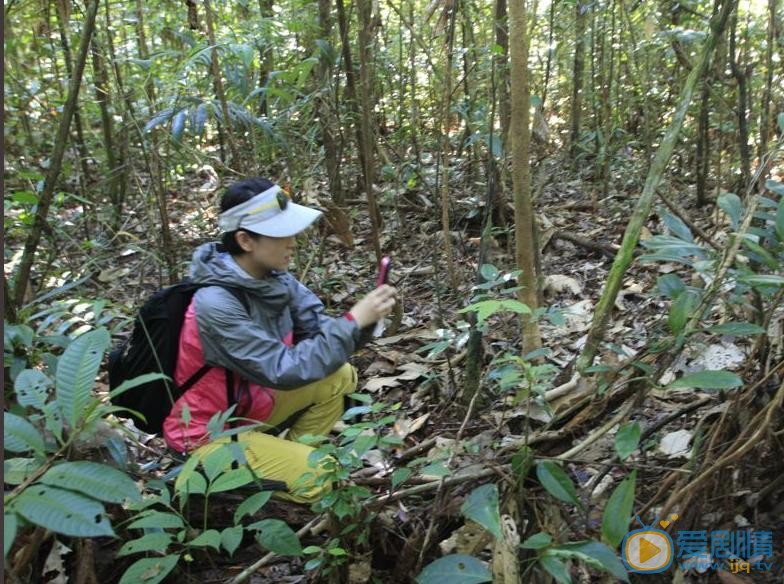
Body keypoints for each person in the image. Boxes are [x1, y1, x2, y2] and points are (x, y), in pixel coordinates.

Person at [162, 177, 397, 503]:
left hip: (247, 411)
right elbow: (282, 369)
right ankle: (298, 480)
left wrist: (366, 322)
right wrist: (352, 321)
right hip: (206, 437)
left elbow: (322, 335)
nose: (292, 243)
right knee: (322, 474)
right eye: (281, 234)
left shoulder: (275, 280)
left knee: (339, 376)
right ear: (245, 240)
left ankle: (286, 463)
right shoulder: (215, 303)